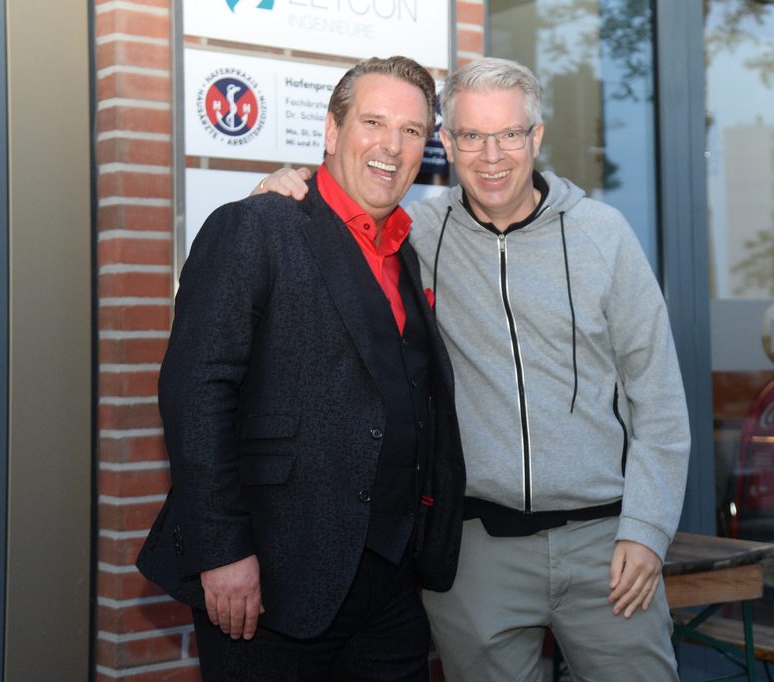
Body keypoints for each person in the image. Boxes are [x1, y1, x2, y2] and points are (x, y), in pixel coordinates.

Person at [253, 57, 691, 681]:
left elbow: (660, 401)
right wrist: (286, 188)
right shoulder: (414, 234)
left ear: (536, 138)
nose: (492, 155)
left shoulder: (605, 236)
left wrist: (647, 530)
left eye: (509, 134)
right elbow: (335, 214)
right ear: (447, 145)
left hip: (606, 546)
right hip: (475, 552)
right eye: (470, 136)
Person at [136, 55, 466, 682]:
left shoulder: (406, 252)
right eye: (373, 121)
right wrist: (223, 552)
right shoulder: (256, 226)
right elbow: (196, 393)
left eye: (412, 131)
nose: (391, 146)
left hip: (391, 585)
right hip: (271, 582)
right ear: (331, 132)